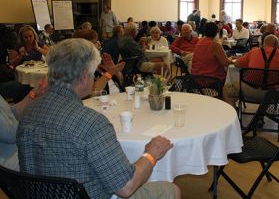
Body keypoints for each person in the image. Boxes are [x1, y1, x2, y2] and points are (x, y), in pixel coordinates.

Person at [17, 38, 179, 199]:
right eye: (93, 73)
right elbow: (126, 187)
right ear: (83, 77)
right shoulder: (91, 122)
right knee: (171, 190)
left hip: (39, 194)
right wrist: (151, 153)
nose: (94, 78)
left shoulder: (29, 112)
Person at [223, 35, 279, 108]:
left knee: (225, 89)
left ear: (264, 44)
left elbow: (237, 64)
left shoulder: (254, 51)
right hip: (272, 93)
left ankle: (234, 111)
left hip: (249, 91)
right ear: (276, 44)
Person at [0, 78, 46, 171]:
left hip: (17, 151)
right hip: (11, 164)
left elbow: (11, 113)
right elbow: (10, 135)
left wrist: (34, 93)